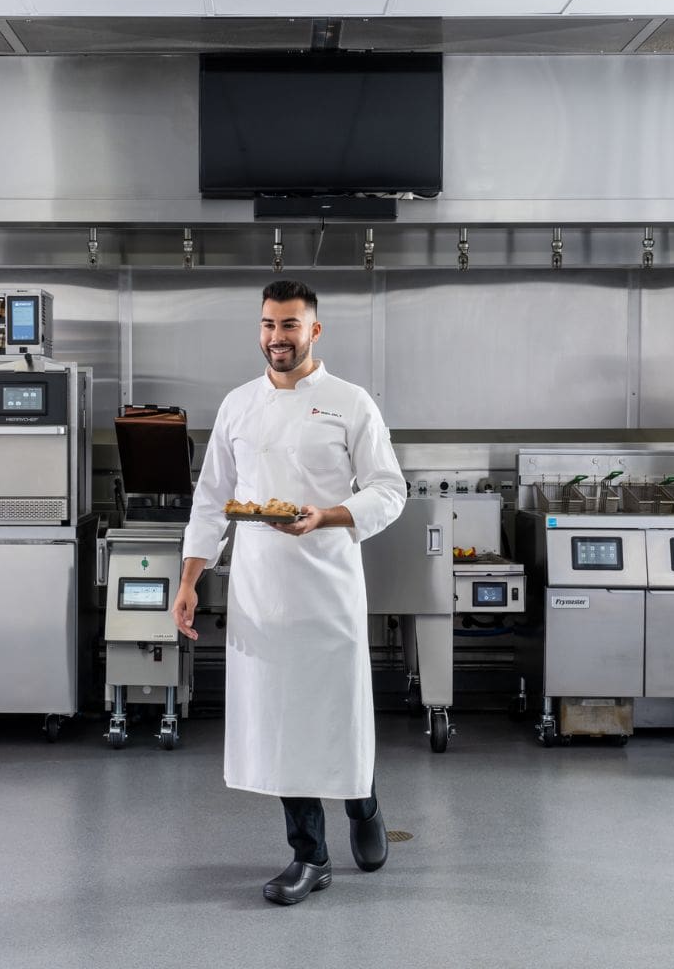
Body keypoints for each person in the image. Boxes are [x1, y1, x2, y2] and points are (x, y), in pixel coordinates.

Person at [172, 279, 407, 905]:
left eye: (290, 325)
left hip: (326, 586)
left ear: (314, 331)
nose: (278, 337)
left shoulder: (350, 403)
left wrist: (325, 516)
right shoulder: (238, 405)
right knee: (282, 722)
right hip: (261, 591)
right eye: (269, 324)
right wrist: (190, 579)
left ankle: (363, 805)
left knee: (337, 711)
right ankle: (310, 856)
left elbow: (389, 489)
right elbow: (211, 500)